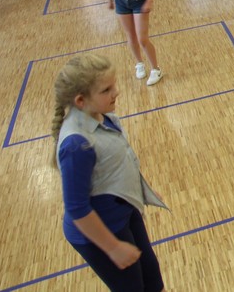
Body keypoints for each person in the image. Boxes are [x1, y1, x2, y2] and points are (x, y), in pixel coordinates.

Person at [52, 53, 167, 292]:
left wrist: (140, 189)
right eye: (106, 90)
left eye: (114, 85)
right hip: (101, 234)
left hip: (124, 213)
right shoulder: (77, 146)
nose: (117, 92)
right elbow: (77, 209)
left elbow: (118, 164)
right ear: (81, 100)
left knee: (152, 279)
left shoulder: (100, 116)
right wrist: (113, 247)